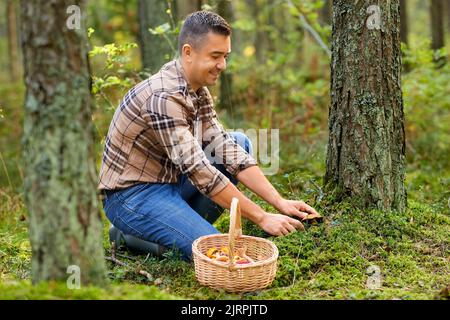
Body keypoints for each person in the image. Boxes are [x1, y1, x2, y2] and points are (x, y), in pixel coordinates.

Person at [99, 11, 320, 261]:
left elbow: (224, 147)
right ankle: (134, 236)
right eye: (215, 56)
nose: (222, 65)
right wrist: (262, 217)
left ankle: (175, 228)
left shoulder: (197, 88)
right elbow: (200, 172)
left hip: (170, 182)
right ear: (188, 52)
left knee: (238, 142)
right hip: (132, 196)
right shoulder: (163, 98)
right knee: (220, 253)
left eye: (225, 56)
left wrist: (280, 202)